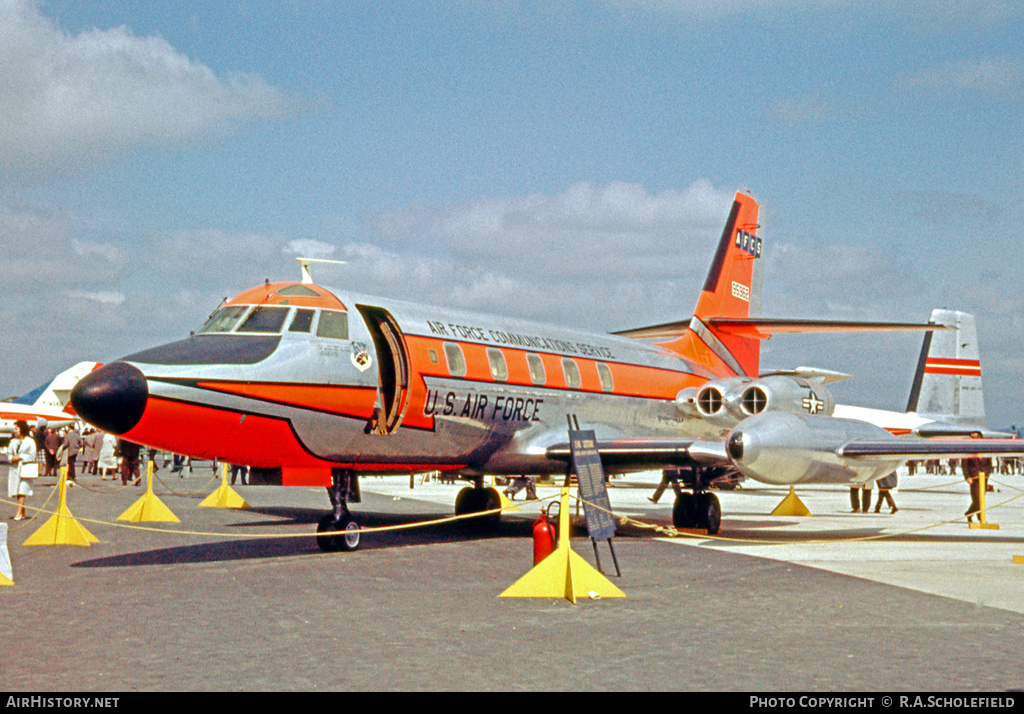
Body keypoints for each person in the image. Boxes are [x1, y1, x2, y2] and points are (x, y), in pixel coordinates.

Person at [8, 421, 37, 521]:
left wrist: (20, 456)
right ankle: (23, 512)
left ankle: (18, 513)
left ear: (22, 429)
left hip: (25, 468)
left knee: (22, 491)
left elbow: (32, 456)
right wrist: (11, 458)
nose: (15, 431)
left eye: (16, 429)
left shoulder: (30, 441)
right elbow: (9, 454)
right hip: (15, 469)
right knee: (17, 491)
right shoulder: (13, 441)